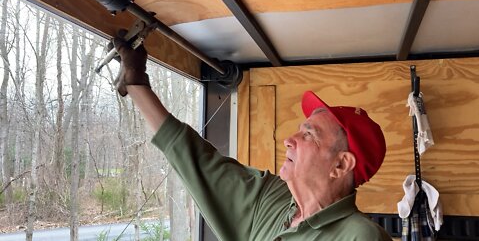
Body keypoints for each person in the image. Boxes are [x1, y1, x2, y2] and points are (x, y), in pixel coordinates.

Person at [112, 37, 392, 241]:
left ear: (341, 165)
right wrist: (137, 83)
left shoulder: (360, 236)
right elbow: (199, 162)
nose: (289, 140)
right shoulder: (273, 197)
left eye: (309, 134)